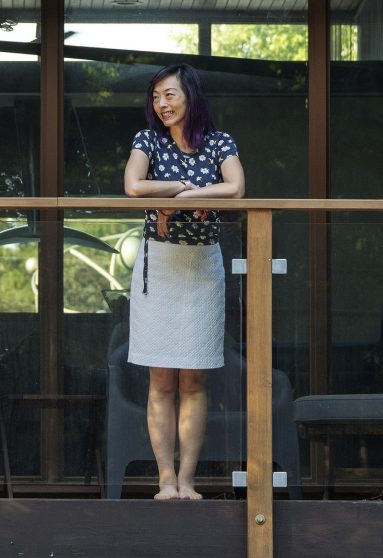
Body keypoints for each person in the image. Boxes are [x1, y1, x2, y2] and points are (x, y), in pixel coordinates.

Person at [122, 64, 245, 500]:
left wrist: (184, 197)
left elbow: (236, 188)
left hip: (201, 268)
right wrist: (184, 186)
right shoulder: (147, 140)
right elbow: (134, 188)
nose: (163, 104)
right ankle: (165, 480)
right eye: (156, 97)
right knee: (160, 380)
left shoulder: (219, 142)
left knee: (193, 380)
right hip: (160, 265)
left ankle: (188, 481)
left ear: (191, 96)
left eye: (170, 95)